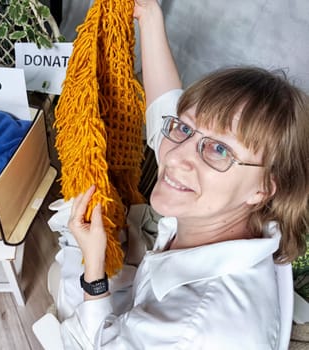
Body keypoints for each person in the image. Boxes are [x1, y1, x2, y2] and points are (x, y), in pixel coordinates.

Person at [47, 0, 309, 348]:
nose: (174, 156)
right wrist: (150, 17)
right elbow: (168, 116)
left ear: (263, 187)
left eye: (219, 150)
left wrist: (94, 272)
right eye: (185, 129)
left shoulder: (192, 331)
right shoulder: (244, 207)